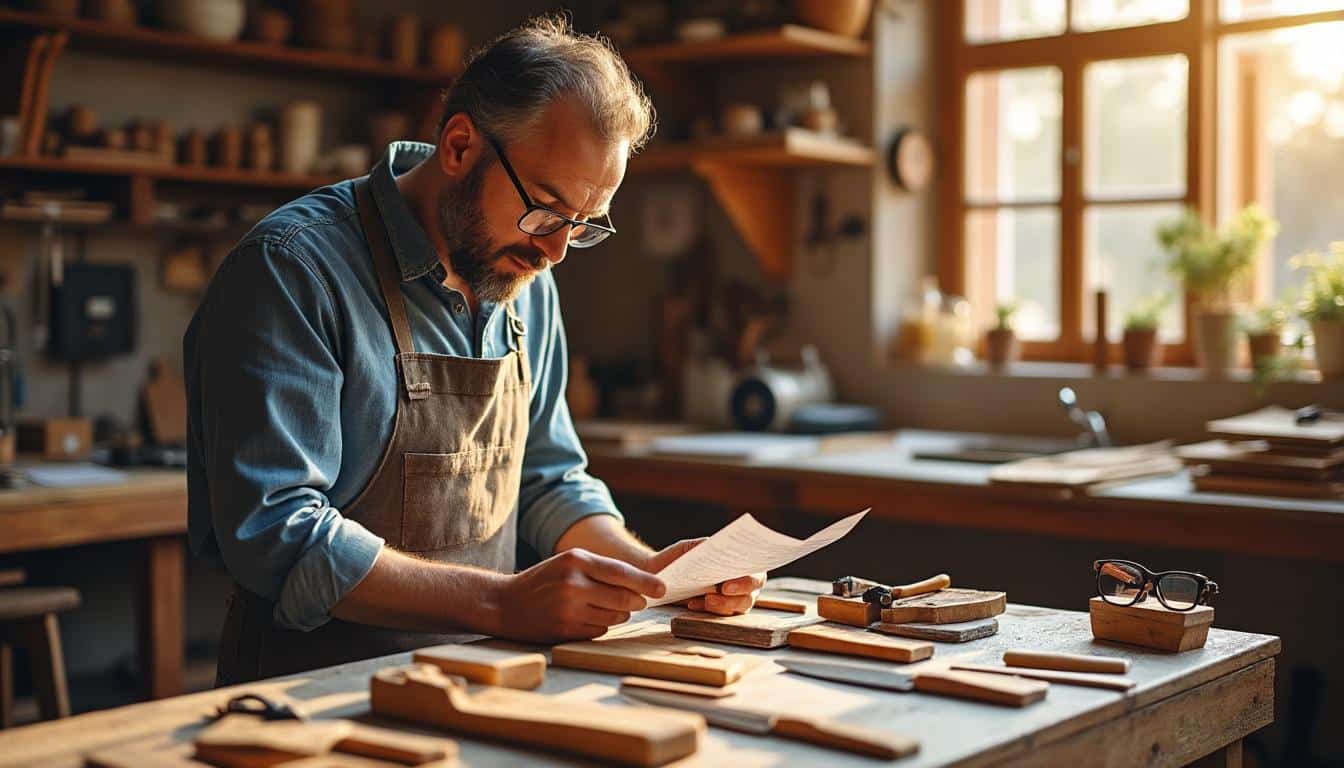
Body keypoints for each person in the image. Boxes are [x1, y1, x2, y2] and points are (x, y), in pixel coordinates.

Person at [185, 15, 764, 685]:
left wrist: (649, 573)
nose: (554, 250)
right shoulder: (292, 272)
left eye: (581, 227)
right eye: (545, 210)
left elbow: (548, 479)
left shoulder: (522, 276)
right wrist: (498, 600)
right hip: (310, 694)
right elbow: (278, 534)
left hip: (478, 680)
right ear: (460, 146)